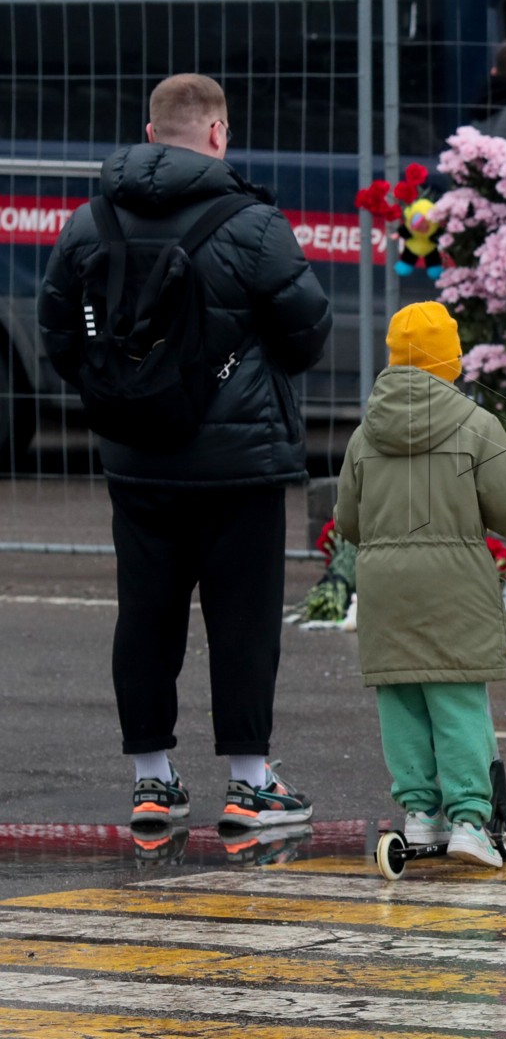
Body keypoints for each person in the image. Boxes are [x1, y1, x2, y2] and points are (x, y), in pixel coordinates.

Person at [37, 73, 332, 827]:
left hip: (137, 460)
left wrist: (125, 396)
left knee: (145, 615)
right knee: (243, 621)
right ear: (217, 134)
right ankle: (250, 781)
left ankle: (151, 781)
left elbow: (59, 337)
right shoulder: (255, 225)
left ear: (148, 135)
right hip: (242, 463)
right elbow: (308, 334)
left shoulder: (88, 220)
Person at [334, 302, 506, 866]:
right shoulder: (478, 426)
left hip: (385, 591)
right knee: (457, 703)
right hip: (455, 588)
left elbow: (350, 524)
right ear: (451, 360)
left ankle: (420, 815)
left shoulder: (365, 434)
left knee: (402, 701)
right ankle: (469, 821)